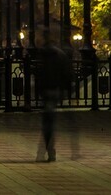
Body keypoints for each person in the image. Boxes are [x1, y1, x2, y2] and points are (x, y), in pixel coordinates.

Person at [35, 31, 72, 162]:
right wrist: (66, 90)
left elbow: (39, 75)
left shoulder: (43, 54)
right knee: (49, 120)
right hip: (55, 90)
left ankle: (47, 150)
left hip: (46, 91)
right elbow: (66, 74)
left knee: (47, 122)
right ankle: (48, 150)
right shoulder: (60, 54)